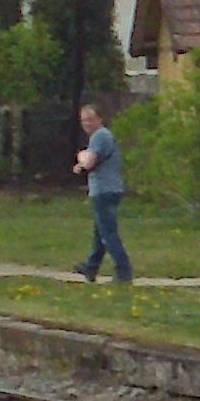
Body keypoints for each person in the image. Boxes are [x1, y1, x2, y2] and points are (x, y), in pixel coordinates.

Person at [70, 99, 132, 285]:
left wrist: (80, 161)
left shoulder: (100, 136)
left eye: (90, 119)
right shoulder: (102, 136)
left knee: (108, 234)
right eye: (83, 120)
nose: (87, 123)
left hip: (104, 190)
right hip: (110, 189)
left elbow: (89, 162)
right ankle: (91, 266)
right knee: (100, 233)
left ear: (100, 119)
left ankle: (124, 273)